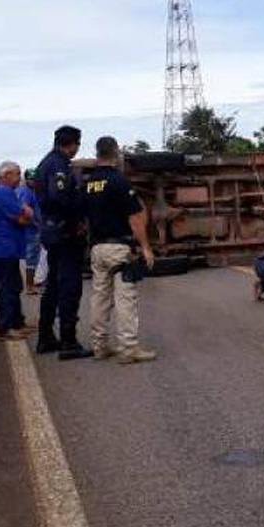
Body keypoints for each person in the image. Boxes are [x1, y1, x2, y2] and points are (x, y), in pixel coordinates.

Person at [83, 136, 157, 364]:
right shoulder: (119, 181)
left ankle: (100, 346)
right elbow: (135, 218)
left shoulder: (89, 183)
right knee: (125, 298)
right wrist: (146, 247)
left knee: (100, 297)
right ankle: (128, 348)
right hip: (118, 247)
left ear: (97, 153)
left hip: (97, 248)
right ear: (115, 152)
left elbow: (84, 216)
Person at [36, 125, 92, 359]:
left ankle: (46, 337)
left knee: (53, 286)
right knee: (69, 286)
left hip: (53, 232)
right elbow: (59, 198)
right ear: (72, 144)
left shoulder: (46, 163)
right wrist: (76, 222)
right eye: (77, 144)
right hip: (64, 233)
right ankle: (69, 342)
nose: (77, 149)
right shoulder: (58, 165)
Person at [0, 162, 36, 341]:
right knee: (7, 288)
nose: (20, 178)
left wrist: (26, 213)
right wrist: (28, 214)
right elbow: (20, 216)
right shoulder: (2, 192)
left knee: (14, 286)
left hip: (6, 249)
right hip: (2, 249)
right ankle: (5, 327)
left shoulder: (4, 192)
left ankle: (17, 322)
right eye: (17, 174)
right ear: (6, 175)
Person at [17, 169, 43, 294]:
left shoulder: (31, 191)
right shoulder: (26, 192)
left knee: (34, 258)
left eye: (35, 179)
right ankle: (29, 286)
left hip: (33, 229)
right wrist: (35, 223)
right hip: (31, 230)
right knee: (31, 259)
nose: (34, 181)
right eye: (31, 179)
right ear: (26, 180)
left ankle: (31, 284)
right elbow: (24, 209)